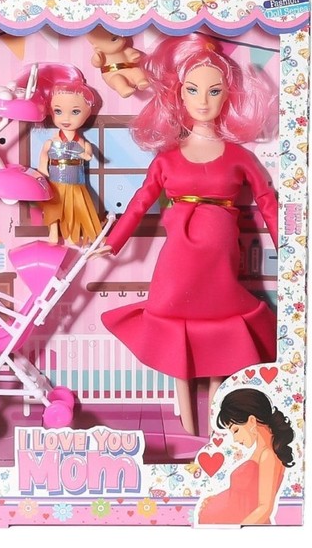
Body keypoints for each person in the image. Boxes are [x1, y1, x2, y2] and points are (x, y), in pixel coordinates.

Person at [92, 33, 278, 435]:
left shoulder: (239, 157)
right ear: (179, 94)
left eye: (214, 90)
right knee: (176, 330)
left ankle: (215, 425)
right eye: (193, 90)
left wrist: (291, 246)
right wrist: (113, 242)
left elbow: (267, 200)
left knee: (220, 331)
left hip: (220, 261)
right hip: (178, 262)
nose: (203, 101)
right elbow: (140, 202)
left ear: (228, 95)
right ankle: (190, 429)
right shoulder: (167, 159)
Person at [197, 388, 295, 525]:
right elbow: (247, 494)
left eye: (236, 430)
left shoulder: (268, 455)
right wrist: (216, 501)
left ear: (252, 421)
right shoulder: (261, 451)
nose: (235, 439)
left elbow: (265, 508)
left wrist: (237, 531)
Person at [37, 75, 102, 244]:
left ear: (87, 113)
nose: (66, 119)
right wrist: (42, 171)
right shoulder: (51, 142)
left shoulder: (83, 143)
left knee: (75, 207)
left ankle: (72, 234)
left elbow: (88, 155)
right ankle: (53, 232)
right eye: (58, 111)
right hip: (55, 180)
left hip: (75, 181)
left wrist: (83, 154)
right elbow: (44, 158)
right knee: (53, 207)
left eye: (75, 112)